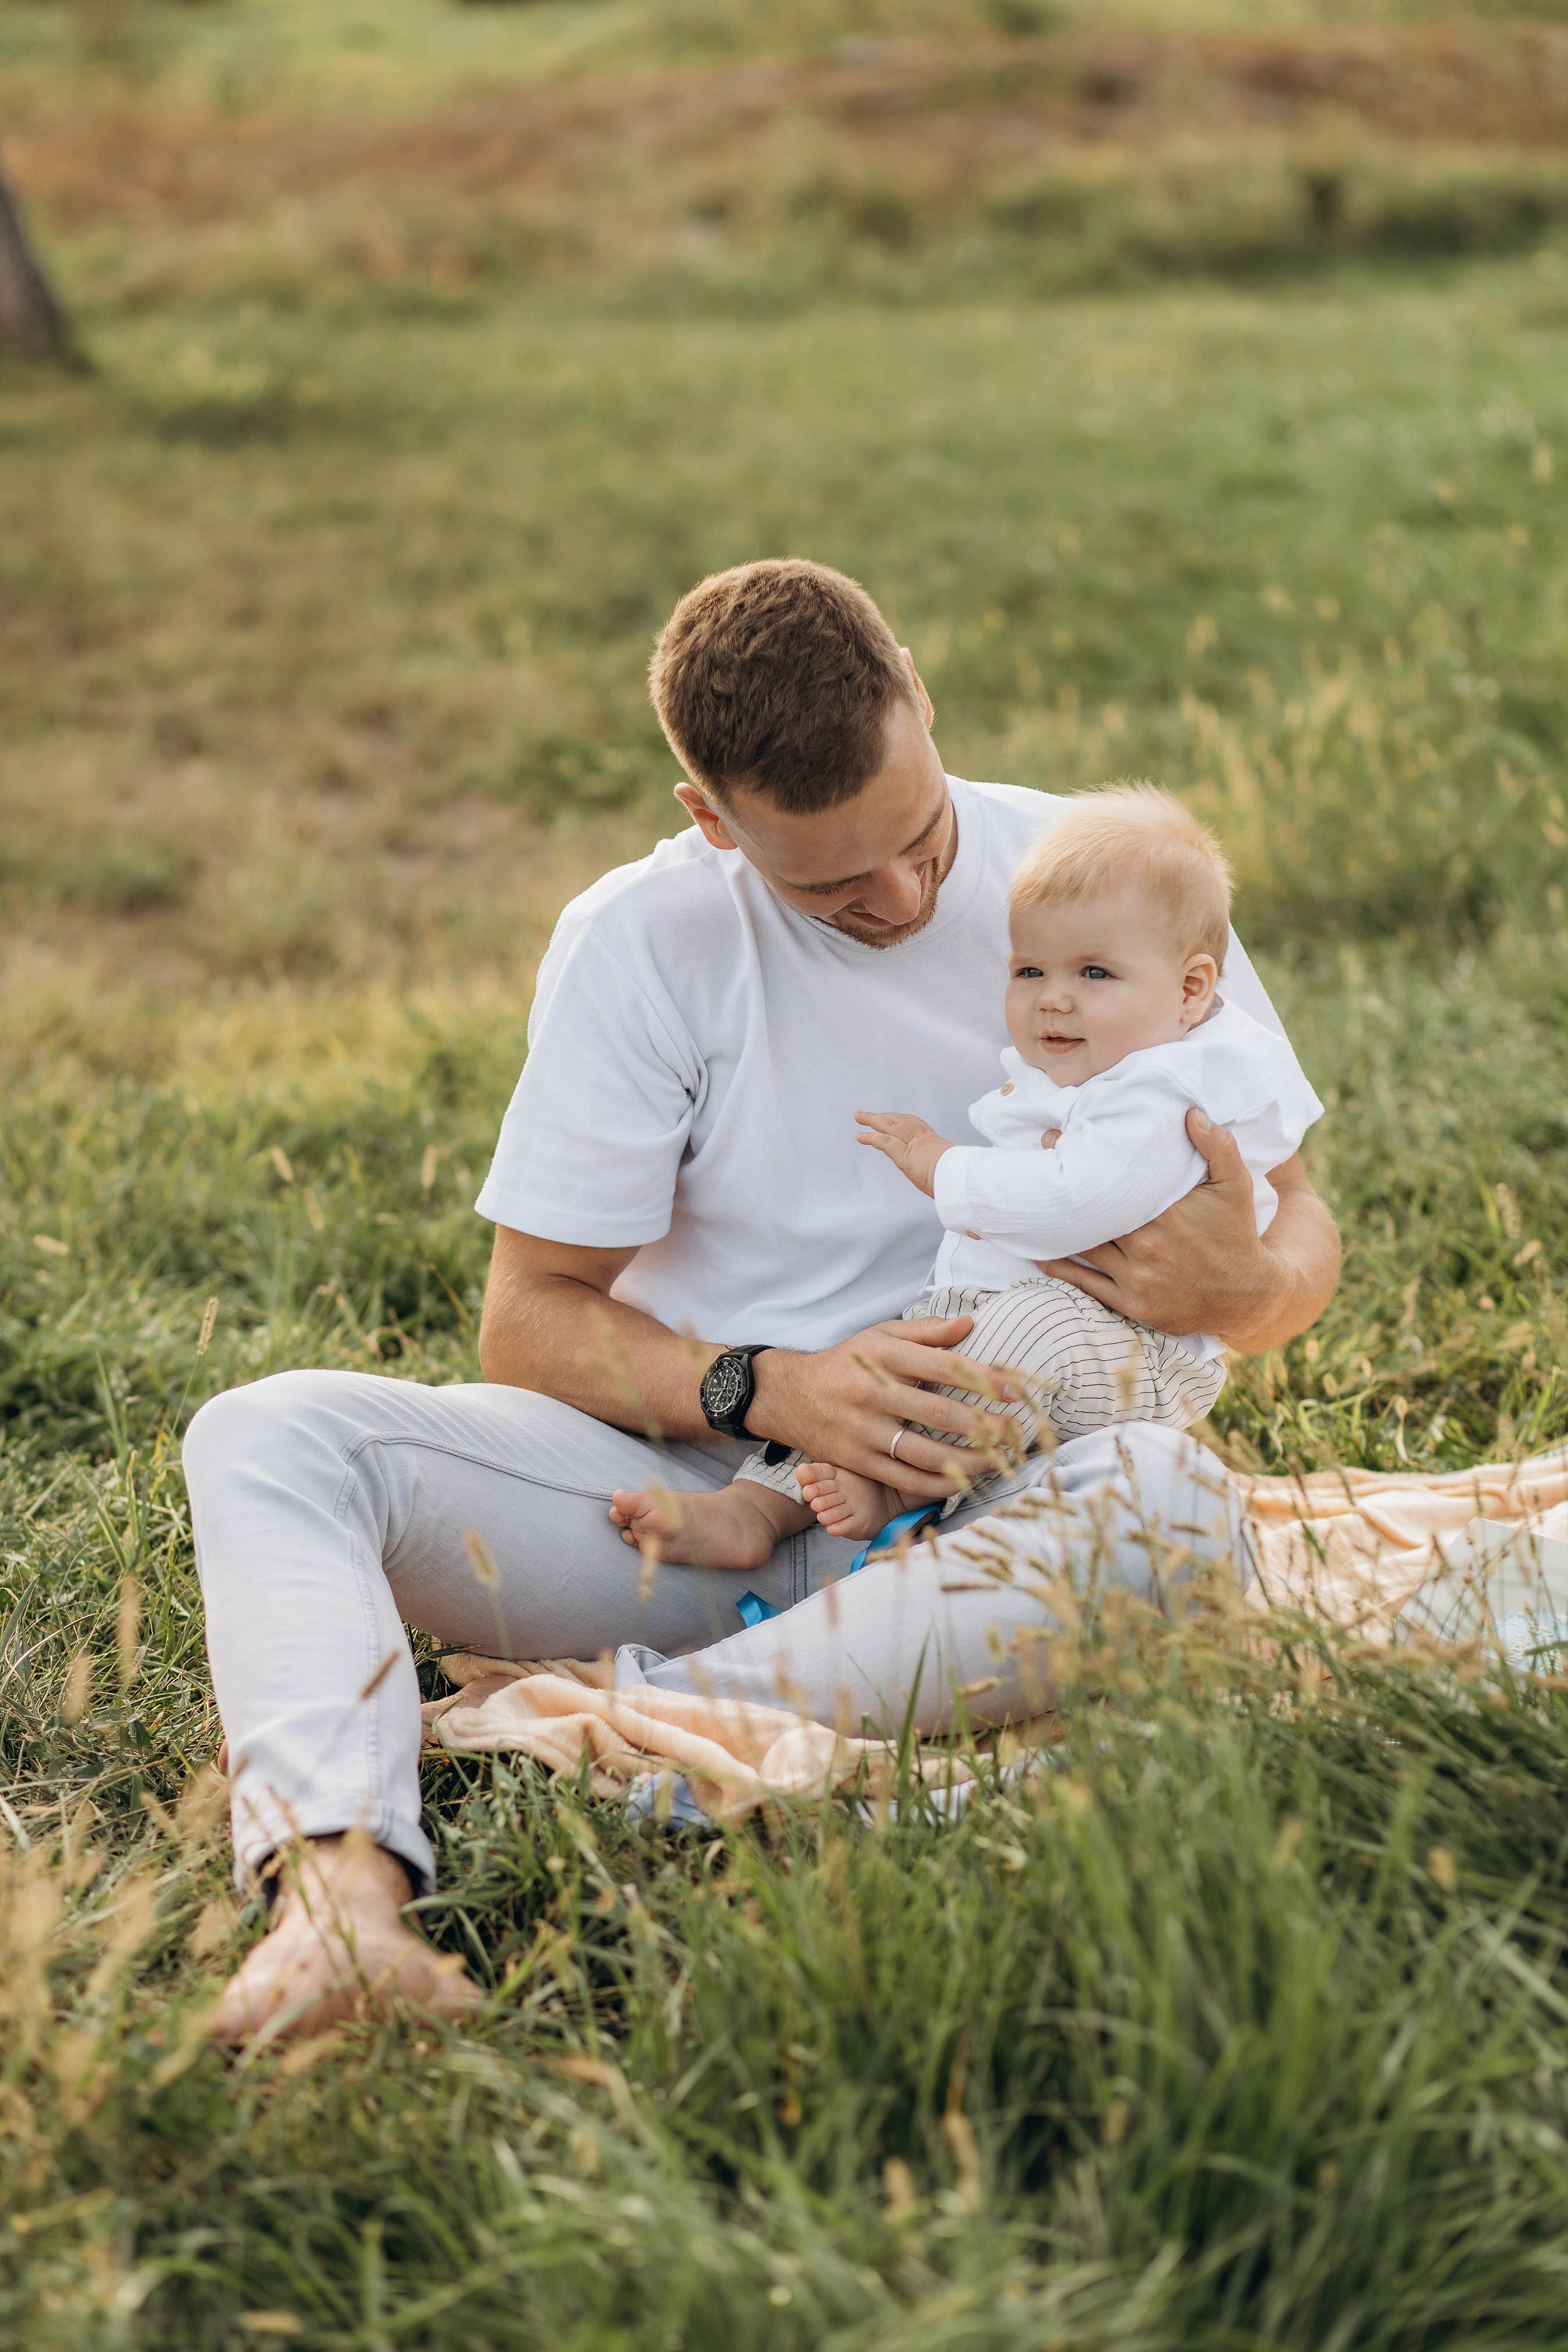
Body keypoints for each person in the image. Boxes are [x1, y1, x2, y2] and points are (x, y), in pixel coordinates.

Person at [181, 559, 1340, 2043]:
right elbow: (528, 1317)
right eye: (831, 883)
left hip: (996, 1506)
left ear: (917, 694)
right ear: (710, 820)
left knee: (1178, 1503)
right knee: (270, 1433)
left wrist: (1251, 1284)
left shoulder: (1101, 873)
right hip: (680, 1510)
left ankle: (640, 1711)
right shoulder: (640, 941)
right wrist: (765, 1387)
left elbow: (1293, 1216)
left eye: (917, 841)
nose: (904, 896)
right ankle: (338, 1910)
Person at [617, 782, 1323, 1564]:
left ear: (1191, 989)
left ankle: (903, 1493)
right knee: (879, 1358)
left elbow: (1075, 1202)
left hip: (1128, 1344)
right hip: (995, 1307)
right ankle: (757, 1507)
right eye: (1029, 972)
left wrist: (941, 1165)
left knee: (1025, 1338)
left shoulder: (1171, 1086)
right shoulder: (1098, 1065)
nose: (1053, 1001)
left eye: (1094, 974)